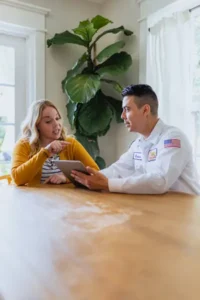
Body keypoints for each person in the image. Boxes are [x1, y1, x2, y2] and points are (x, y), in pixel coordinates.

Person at [71, 84, 200, 195]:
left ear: (145, 110)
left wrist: (108, 184)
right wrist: (85, 178)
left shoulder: (173, 139)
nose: (122, 116)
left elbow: (161, 181)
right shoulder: (138, 143)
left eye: (127, 109)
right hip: (160, 209)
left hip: (186, 212)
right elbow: (118, 169)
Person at [11, 100, 99, 186]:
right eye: (48, 121)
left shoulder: (70, 144)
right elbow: (17, 179)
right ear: (36, 125)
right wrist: (45, 153)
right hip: (34, 199)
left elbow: (95, 172)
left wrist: (65, 178)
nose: (57, 124)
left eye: (57, 118)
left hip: (65, 198)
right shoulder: (23, 145)